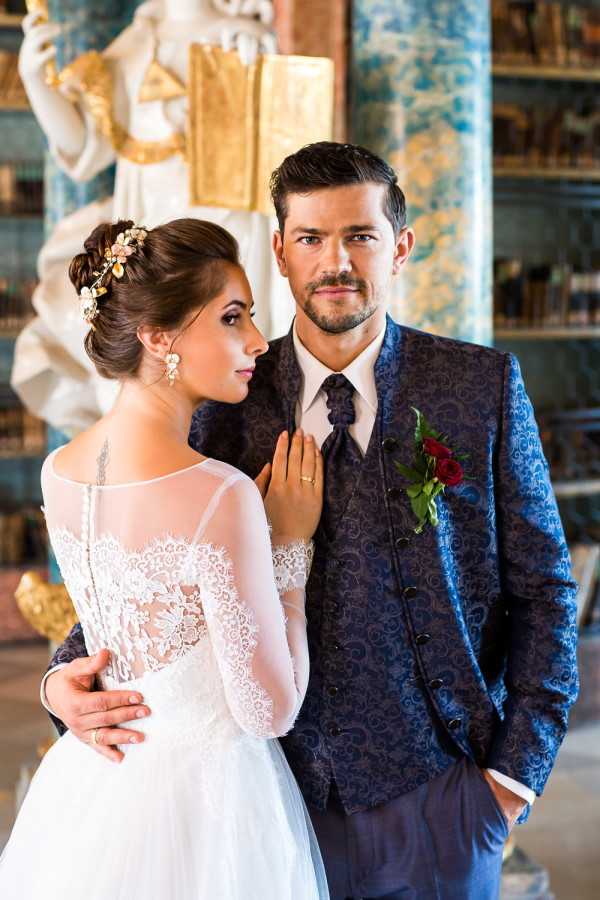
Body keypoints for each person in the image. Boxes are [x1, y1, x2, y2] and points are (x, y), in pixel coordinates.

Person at [39, 143, 579, 900]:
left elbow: (548, 590)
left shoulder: (478, 385)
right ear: (280, 254)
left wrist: (512, 778)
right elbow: (150, 565)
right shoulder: (217, 400)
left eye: (359, 235)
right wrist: (62, 679)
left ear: (399, 247)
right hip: (268, 808)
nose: (336, 262)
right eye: (310, 239)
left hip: (442, 802)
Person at [0, 217, 329, 900]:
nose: (257, 342)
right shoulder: (219, 495)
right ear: (158, 337)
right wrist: (289, 549)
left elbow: (116, 633)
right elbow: (267, 713)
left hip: (97, 787)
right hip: (211, 805)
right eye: (232, 318)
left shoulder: (59, 471)